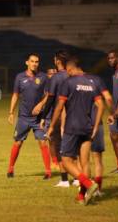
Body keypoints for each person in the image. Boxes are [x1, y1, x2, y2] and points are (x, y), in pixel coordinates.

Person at [46, 55, 103, 205]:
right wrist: (96, 126)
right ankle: (81, 196)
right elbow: (101, 105)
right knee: (85, 163)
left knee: (65, 161)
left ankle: (89, 184)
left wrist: (51, 126)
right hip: (88, 127)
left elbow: (59, 107)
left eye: (68, 71)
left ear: (70, 69)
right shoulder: (92, 83)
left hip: (72, 127)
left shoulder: (68, 82)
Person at [6, 53, 51, 179]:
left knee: (43, 142)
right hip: (23, 118)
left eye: (37, 61)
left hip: (38, 119)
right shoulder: (20, 77)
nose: (34, 63)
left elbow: (48, 95)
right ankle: (10, 169)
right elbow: (15, 95)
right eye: (32, 61)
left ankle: (48, 172)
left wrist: (41, 104)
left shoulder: (43, 77)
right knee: (18, 143)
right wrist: (11, 112)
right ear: (27, 62)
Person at [40, 50, 70, 187]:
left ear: (57, 61)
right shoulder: (73, 75)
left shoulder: (56, 78)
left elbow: (51, 99)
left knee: (59, 147)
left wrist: (43, 116)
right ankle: (77, 178)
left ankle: (64, 180)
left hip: (59, 117)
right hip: (75, 115)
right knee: (74, 147)